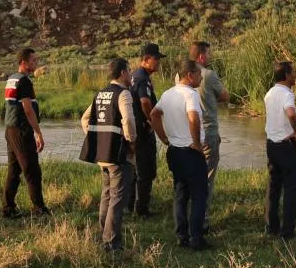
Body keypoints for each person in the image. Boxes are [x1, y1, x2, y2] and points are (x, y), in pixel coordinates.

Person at [150, 60, 210, 251]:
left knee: (180, 193)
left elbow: (154, 114)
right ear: (190, 75)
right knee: (199, 195)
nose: (201, 78)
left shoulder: (168, 94)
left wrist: (164, 138)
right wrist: (197, 143)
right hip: (190, 152)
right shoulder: (190, 94)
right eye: (199, 74)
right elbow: (193, 118)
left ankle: (181, 235)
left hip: (174, 151)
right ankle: (196, 238)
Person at [80, 58, 137, 252]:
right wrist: (131, 141)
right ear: (122, 73)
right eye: (129, 71)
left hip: (102, 154)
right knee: (117, 198)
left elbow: (85, 119)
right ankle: (111, 243)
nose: (131, 75)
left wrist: (97, 137)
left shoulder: (100, 93)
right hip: (119, 155)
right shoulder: (124, 94)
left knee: (106, 195)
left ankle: (104, 234)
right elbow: (128, 119)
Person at [3, 47, 50, 218]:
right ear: (24, 63)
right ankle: (39, 209)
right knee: (32, 170)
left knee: (14, 171)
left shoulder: (11, 79)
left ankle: (8, 209)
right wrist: (38, 133)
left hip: (10, 129)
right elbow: (28, 109)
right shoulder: (24, 81)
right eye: (33, 61)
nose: (36, 63)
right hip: (21, 131)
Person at [190, 41, 229, 232]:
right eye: (209, 54)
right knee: (207, 177)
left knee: (192, 176)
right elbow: (225, 96)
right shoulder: (209, 75)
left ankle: (190, 215)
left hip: (189, 133)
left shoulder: (179, 75)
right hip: (208, 131)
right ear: (202, 57)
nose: (211, 57)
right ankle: (202, 221)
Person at [264, 61, 296, 240]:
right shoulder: (287, 93)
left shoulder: (270, 93)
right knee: (291, 188)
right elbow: (290, 115)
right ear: (287, 75)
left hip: (271, 145)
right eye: (293, 72)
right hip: (287, 146)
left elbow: (280, 112)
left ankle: (271, 227)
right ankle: (287, 232)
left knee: (273, 186)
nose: (295, 75)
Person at [126, 43, 162, 217]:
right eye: (156, 59)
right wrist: (152, 121)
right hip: (142, 131)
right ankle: (141, 210)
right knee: (145, 171)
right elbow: (145, 102)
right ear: (146, 59)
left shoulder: (134, 75)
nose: (158, 63)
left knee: (136, 170)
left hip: (134, 130)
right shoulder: (142, 78)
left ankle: (131, 204)